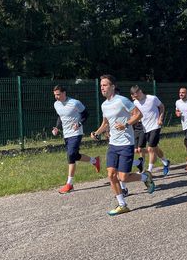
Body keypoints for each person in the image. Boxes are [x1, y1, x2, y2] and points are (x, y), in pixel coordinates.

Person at [90, 75, 155, 216]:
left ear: (112, 86)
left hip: (126, 143)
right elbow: (106, 122)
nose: (102, 87)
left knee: (123, 178)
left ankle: (145, 177)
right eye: (101, 85)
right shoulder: (104, 105)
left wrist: (126, 124)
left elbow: (138, 115)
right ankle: (122, 204)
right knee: (111, 175)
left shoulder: (122, 100)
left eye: (105, 85)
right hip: (113, 144)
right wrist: (97, 132)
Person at [51, 85, 101, 194]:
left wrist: (79, 123)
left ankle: (70, 184)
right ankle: (94, 161)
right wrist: (57, 127)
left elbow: (86, 114)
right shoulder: (56, 104)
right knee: (75, 155)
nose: (56, 97)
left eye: (58, 94)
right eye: (55, 95)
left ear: (64, 93)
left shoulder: (75, 103)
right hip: (66, 134)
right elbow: (60, 117)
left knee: (70, 156)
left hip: (76, 133)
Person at [130, 85, 171, 176]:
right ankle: (165, 161)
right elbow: (134, 115)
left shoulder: (152, 98)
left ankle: (149, 171)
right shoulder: (135, 103)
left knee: (151, 148)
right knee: (150, 148)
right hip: (144, 128)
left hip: (155, 126)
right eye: (134, 96)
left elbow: (162, 107)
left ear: (140, 91)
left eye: (137, 95)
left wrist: (160, 118)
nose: (136, 98)